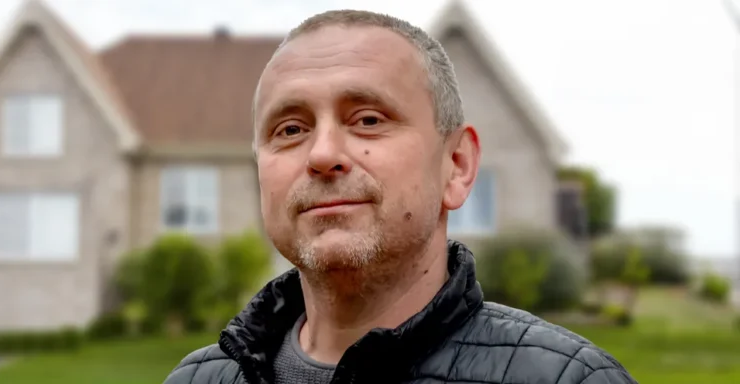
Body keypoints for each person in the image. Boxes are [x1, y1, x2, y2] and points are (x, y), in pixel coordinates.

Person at [163, 9, 636, 384]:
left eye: (368, 119)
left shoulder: (569, 380)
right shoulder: (194, 380)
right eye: (290, 129)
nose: (323, 154)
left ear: (457, 165)